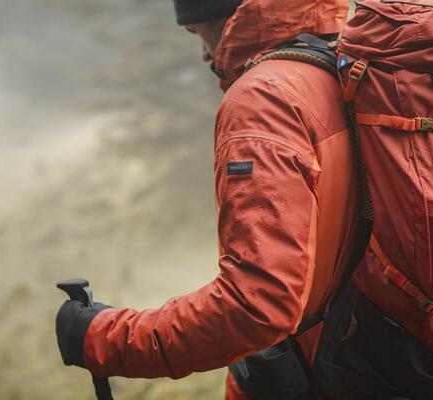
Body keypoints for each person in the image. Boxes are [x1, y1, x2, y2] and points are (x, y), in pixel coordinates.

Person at [55, 0, 360, 398]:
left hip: (320, 373)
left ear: (229, 17)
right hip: (380, 357)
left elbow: (257, 306)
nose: (202, 53)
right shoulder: (340, 65)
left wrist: (108, 337)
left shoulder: (265, 100)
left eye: (197, 31)